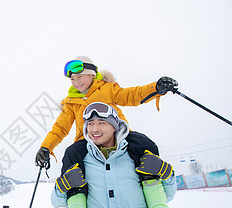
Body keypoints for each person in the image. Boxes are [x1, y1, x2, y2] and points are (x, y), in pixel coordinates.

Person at [35, 55, 178, 169]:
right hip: (87, 141)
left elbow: (132, 95)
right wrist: (46, 147)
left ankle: (150, 182)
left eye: (79, 77)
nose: (76, 82)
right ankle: (76, 195)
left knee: (144, 144)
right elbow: (60, 128)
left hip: (117, 137)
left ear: (92, 75)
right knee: (71, 155)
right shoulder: (71, 102)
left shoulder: (107, 89)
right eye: (72, 79)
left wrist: (156, 88)